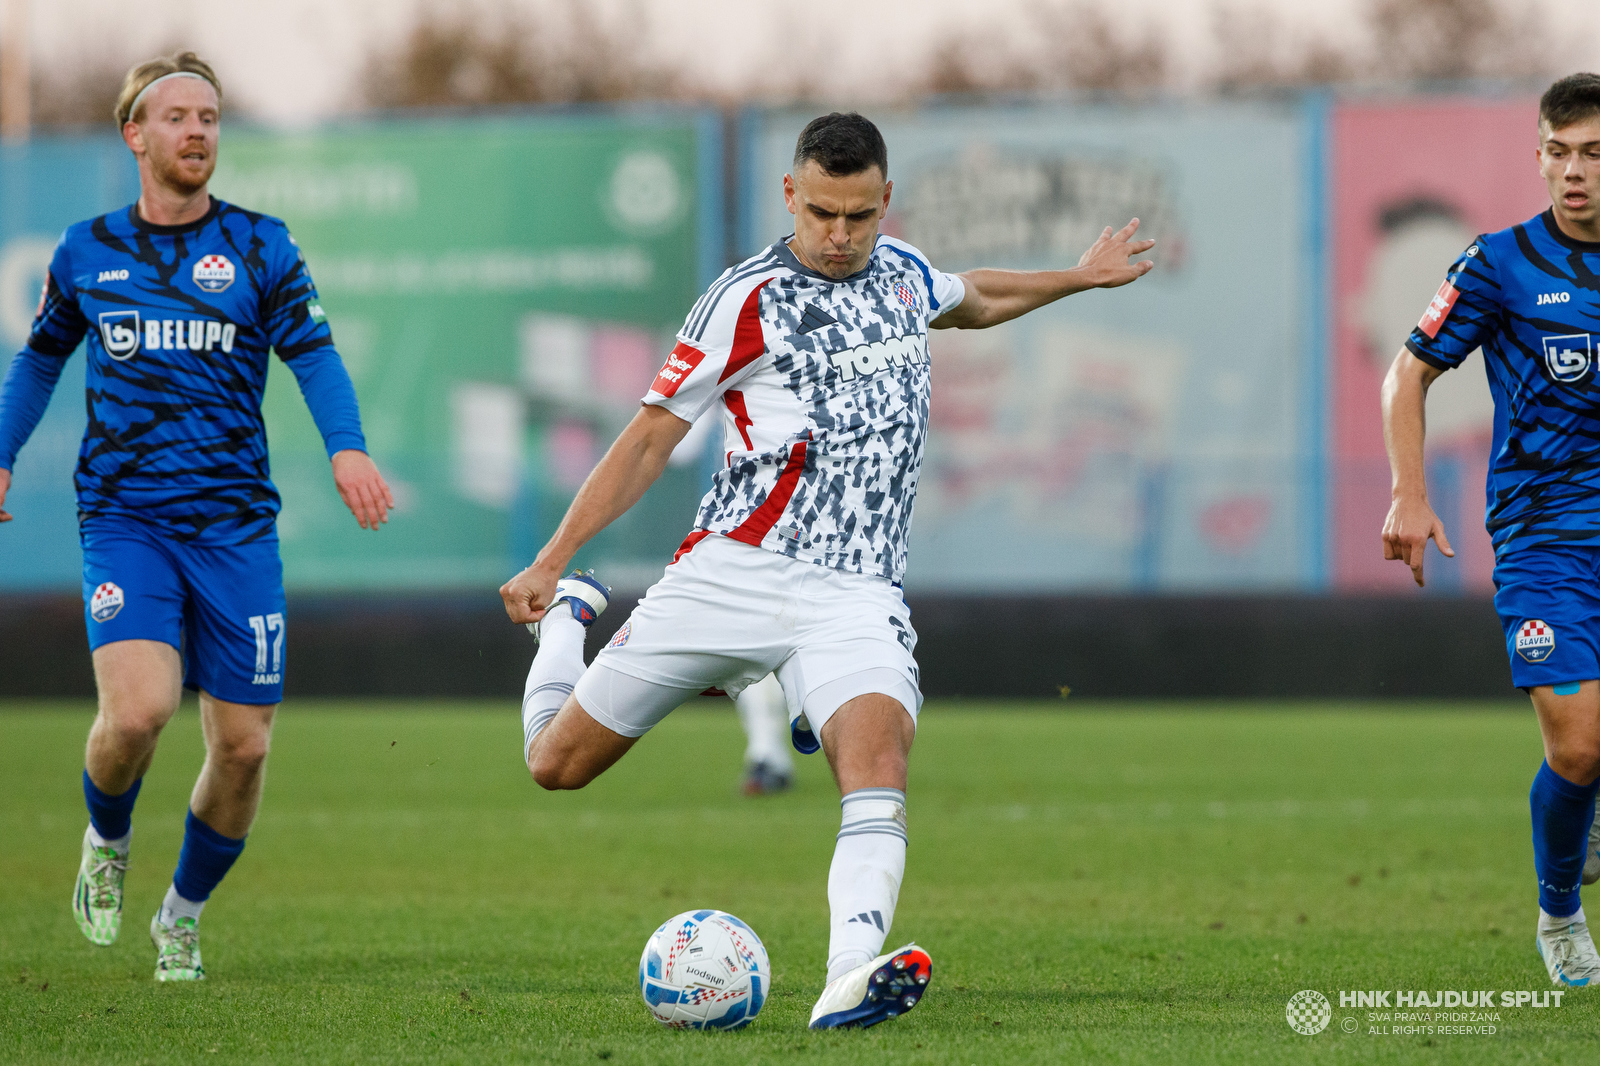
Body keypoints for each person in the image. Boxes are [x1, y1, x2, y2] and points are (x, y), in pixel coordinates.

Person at [502, 111, 1151, 1028]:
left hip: (854, 591)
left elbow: (978, 297)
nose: (840, 236)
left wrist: (1077, 279)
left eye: (857, 215)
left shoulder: (904, 273)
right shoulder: (745, 300)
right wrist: (552, 562)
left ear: (885, 200)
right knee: (554, 766)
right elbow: (652, 438)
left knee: (879, 762)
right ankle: (568, 621)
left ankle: (850, 975)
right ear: (789, 198)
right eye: (820, 214)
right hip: (731, 573)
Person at [0, 53, 391, 981]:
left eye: (210, 116)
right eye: (176, 117)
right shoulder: (86, 250)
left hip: (235, 529)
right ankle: (107, 839)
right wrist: (4, 452)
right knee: (136, 715)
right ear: (135, 134)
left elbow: (317, 357)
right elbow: (40, 362)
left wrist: (347, 444)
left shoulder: (261, 246)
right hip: (127, 520)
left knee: (245, 747)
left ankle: (180, 914)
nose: (197, 132)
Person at [1382, 72, 1600, 988]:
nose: (1574, 172)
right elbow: (1408, 372)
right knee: (1579, 743)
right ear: (1539, 155)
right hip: (1546, 534)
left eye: (1593, 153)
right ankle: (1559, 911)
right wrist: (1408, 494)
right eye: (1559, 152)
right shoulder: (1500, 262)